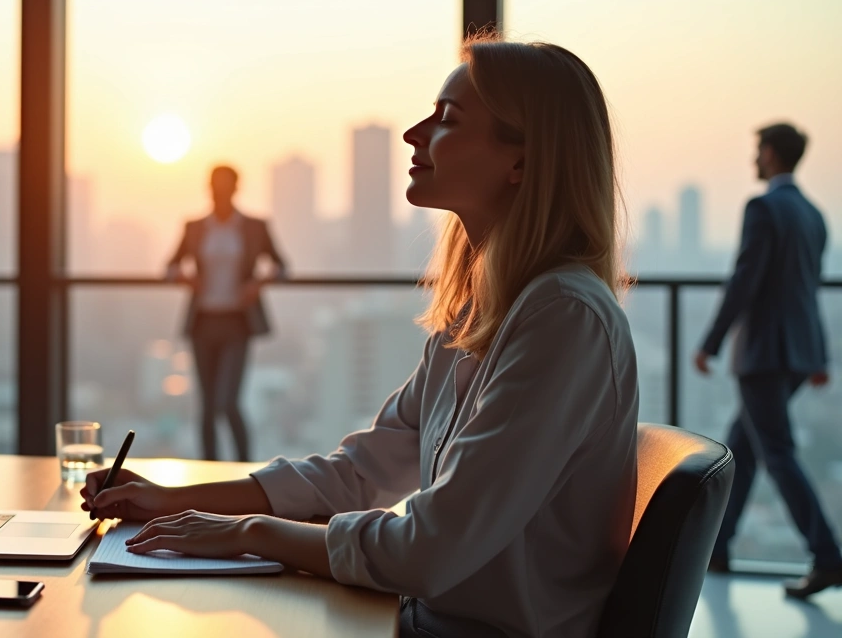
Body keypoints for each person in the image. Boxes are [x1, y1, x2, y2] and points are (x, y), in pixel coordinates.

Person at [85, 38, 638, 637]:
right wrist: (173, 499)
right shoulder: (479, 310)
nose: (414, 134)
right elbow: (357, 474)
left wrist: (247, 531)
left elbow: (427, 549)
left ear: (523, 162)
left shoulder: (563, 319)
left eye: (447, 119)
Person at [695, 122, 841, 598]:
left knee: (775, 453)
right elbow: (808, 290)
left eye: (758, 151)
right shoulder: (814, 215)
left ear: (773, 154)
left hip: (763, 354)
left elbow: (745, 280)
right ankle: (717, 550)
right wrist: (819, 354)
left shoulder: (763, 207)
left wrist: (710, 342)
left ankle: (828, 557)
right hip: (798, 354)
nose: (754, 160)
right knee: (745, 447)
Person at [165, 166, 286, 462]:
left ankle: (244, 468)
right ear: (209, 188)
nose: (220, 193)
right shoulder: (195, 227)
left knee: (228, 401)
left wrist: (257, 283)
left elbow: (282, 267)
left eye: (225, 186)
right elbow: (169, 267)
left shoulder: (254, 226)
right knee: (206, 405)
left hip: (237, 322)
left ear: (235, 188)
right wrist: (187, 278)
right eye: (215, 187)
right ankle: (210, 467)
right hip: (203, 321)